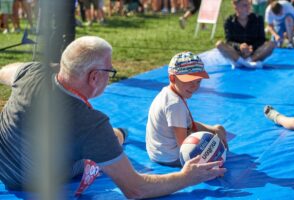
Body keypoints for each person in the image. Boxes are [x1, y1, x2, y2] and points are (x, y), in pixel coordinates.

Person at [0, 36, 226, 198]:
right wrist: (187, 177)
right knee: (112, 138)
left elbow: (5, 71)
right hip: (34, 181)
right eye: (110, 72)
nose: (111, 77)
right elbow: (137, 189)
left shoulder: (32, 72)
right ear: (95, 77)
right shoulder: (92, 125)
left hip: (5, 166)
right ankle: (119, 135)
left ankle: (118, 135)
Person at [146, 51, 228, 167]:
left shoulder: (169, 93)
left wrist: (213, 130)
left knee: (213, 137)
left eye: (198, 81)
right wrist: (209, 166)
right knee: (216, 151)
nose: (194, 86)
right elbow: (184, 147)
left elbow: (186, 124)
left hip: (158, 152)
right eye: (189, 81)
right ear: (173, 78)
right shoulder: (175, 104)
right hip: (169, 157)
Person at [216, 0, 275, 69]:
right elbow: (229, 41)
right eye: (245, 5)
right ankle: (245, 63)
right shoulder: (229, 21)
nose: (248, 7)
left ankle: (244, 62)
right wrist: (239, 46)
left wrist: (251, 47)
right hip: (236, 53)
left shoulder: (258, 19)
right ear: (236, 6)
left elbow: (262, 39)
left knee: (272, 44)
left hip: (254, 53)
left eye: (249, 5)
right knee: (219, 44)